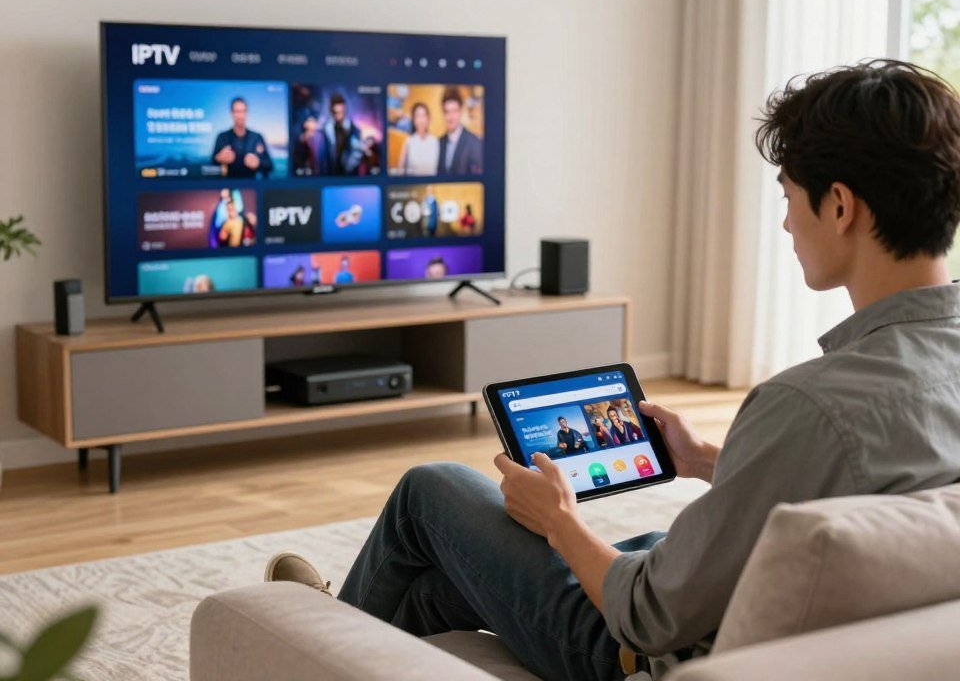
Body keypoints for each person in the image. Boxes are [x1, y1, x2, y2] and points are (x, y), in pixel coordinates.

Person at [263, 61, 960, 680]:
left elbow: (648, 616)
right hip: (795, 620)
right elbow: (876, 502)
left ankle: (303, 642)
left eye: (787, 197)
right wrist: (715, 460)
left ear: (839, 206)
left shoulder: (805, 405)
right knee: (444, 581)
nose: (784, 225)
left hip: (635, 653)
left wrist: (561, 520)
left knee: (432, 489)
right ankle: (333, 633)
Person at [212, 97, 273, 178]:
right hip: (227, 185)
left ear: (247, 113)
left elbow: (270, 166)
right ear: (231, 113)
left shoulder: (256, 137)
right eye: (237, 111)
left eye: (243, 111)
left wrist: (258, 163)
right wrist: (218, 159)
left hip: (252, 186)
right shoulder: (222, 137)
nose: (241, 115)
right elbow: (207, 169)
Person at [437, 88, 483, 175]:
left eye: (454, 111)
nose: (450, 117)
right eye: (447, 112)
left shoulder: (474, 143)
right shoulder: (439, 143)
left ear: (461, 111)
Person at [322, 93, 364, 175]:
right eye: (335, 113)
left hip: (349, 176)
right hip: (330, 174)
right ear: (331, 110)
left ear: (344, 110)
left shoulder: (354, 130)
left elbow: (357, 154)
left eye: (340, 112)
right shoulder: (326, 129)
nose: (338, 116)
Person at [399, 102, 439, 176]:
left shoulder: (435, 141)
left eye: (424, 116)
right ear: (414, 120)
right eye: (418, 116)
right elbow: (401, 170)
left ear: (428, 119)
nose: (421, 120)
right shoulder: (409, 141)